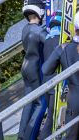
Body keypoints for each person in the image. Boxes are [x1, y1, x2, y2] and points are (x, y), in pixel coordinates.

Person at [42, 11, 79, 140]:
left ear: (74, 28)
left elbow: (46, 70)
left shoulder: (63, 48)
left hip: (74, 100)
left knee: (71, 136)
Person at [18, 0, 47, 139]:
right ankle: (31, 135)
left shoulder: (25, 28)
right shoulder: (38, 30)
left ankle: (21, 135)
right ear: (39, 11)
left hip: (25, 67)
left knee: (28, 102)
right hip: (35, 69)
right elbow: (51, 42)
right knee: (41, 103)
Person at [40, 10, 62, 140]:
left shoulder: (47, 39)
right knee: (52, 117)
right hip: (55, 83)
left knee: (51, 115)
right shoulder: (60, 40)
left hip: (46, 82)